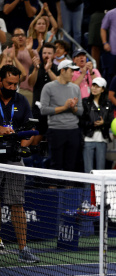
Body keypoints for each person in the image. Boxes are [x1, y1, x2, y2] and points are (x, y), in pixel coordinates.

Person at [0, 65, 40, 262]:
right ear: (0, 81)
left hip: (14, 159)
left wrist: (22, 146)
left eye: (16, 84)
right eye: (9, 83)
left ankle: (23, 249)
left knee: (17, 203)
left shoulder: (21, 100)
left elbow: (30, 128)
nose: (13, 87)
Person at [40, 60, 83, 173]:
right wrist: (64, 108)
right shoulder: (48, 87)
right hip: (56, 130)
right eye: (71, 71)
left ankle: (69, 188)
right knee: (55, 162)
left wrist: (73, 108)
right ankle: (53, 187)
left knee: (71, 163)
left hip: (73, 130)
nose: (73, 74)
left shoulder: (75, 88)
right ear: (62, 71)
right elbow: (43, 110)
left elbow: (81, 111)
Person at [80, 77, 113, 173]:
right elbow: (81, 121)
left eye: (97, 86)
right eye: (93, 85)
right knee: (88, 169)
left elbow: (111, 121)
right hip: (88, 138)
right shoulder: (85, 102)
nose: (94, 88)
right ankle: (87, 188)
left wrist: (104, 123)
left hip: (102, 139)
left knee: (100, 170)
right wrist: (91, 124)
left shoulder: (108, 103)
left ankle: (99, 188)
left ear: (103, 89)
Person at [28, 42, 58, 145]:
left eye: (49, 53)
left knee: (52, 139)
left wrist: (49, 70)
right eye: (44, 53)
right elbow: (30, 83)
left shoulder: (57, 69)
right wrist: (36, 69)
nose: (46, 55)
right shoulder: (35, 67)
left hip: (53, 110)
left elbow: (59, 84)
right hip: (37, 109)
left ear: (54, 55)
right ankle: (35, 160)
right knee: (35, 138)